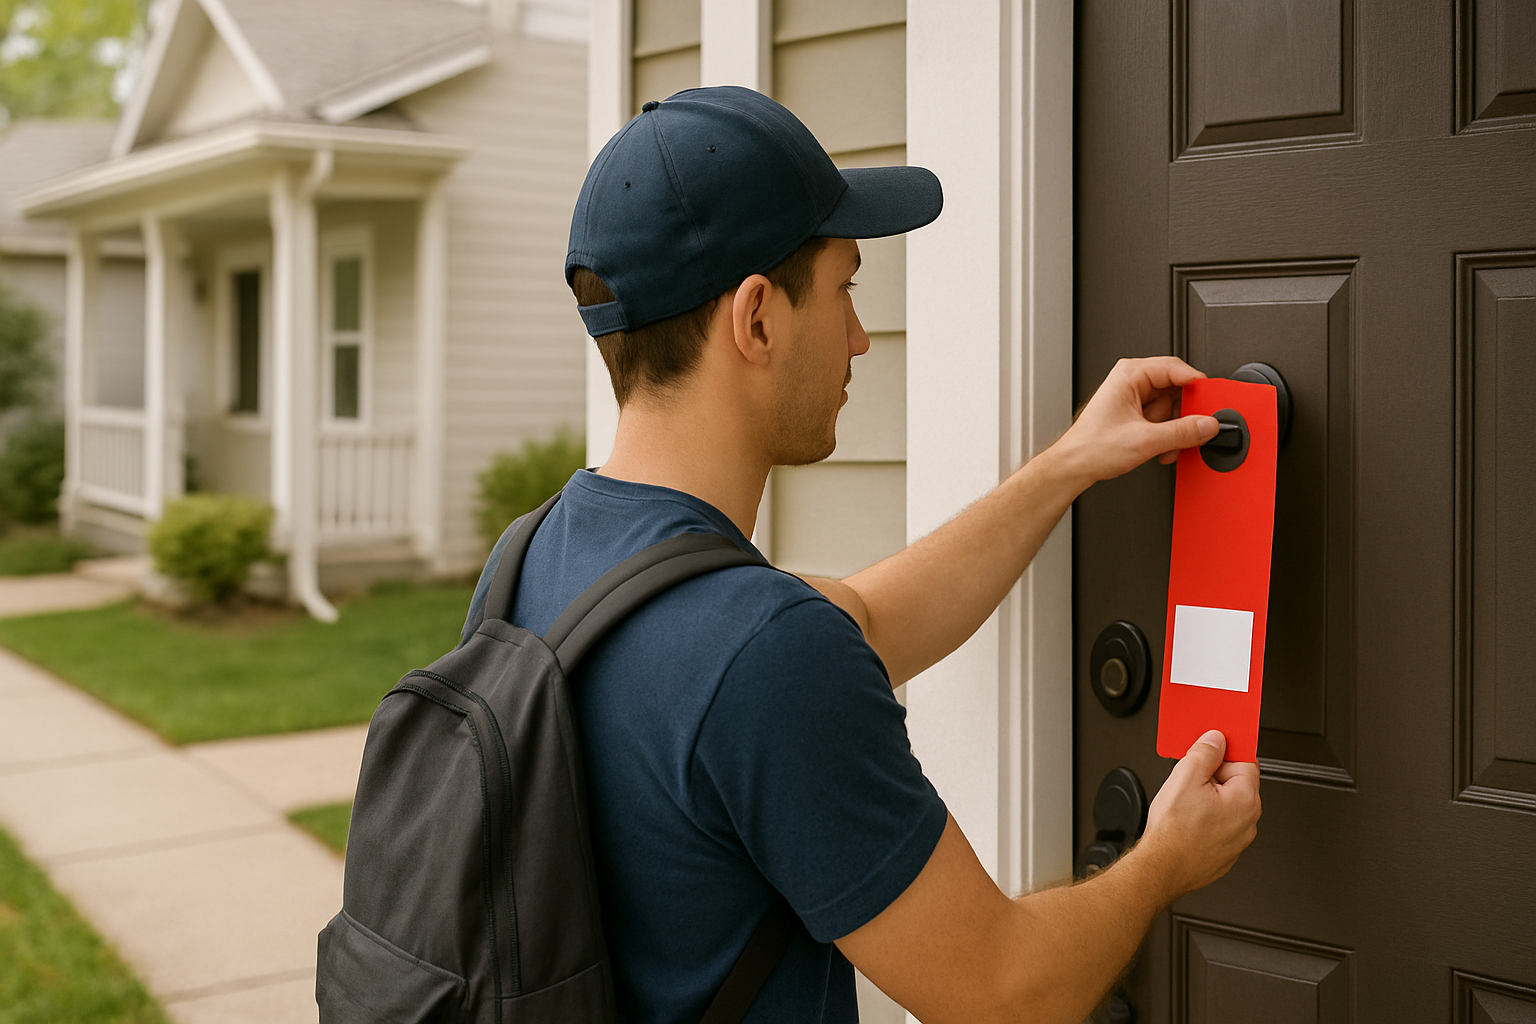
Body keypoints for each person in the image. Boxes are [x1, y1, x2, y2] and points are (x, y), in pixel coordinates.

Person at [464, 86, 1261, 1024]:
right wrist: (1166, 860)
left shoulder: (533, 562)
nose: (859, 337)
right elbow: (1008, 991)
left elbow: (870, 619)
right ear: (756, 319)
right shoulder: (762, 652)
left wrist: (1067, 466)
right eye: (844, 288)